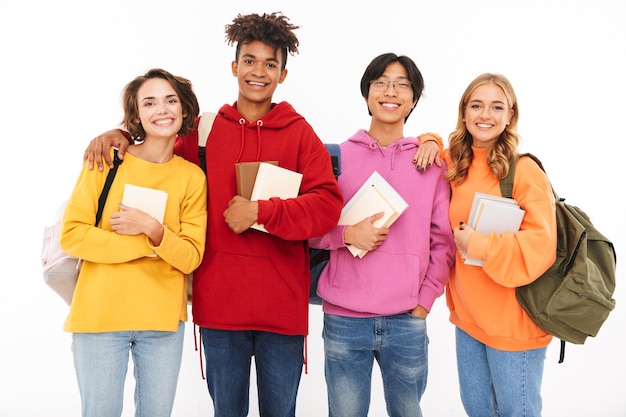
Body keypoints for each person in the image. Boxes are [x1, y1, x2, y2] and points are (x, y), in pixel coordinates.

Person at [81, 12, 343, 417]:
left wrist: (262, 211)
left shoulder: (299, 133)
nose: (259, 72)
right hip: (219, 309)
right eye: (250, 61)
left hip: (282, 311)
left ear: (283, 74)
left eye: (270, 64)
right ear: (234, 67)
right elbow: (156, 146)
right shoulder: (203, 133)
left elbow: (327, 206)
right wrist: (120, 134)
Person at [308, 53, 456, 417]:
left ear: (414, 99)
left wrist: (423, 303)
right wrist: (345, 235)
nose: (391, 91)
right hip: (344, 317)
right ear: (366, 94)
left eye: (402, 84)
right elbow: (307, 230)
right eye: (382, 83)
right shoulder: (334, 158)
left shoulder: (431, 164)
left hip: (407, 318)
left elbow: (444, 242)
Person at [60, 68, 207, 417]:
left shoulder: (191, 177)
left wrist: (153, 229)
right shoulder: (107, 160)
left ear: (184, 109)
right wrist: (148, 244)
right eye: (150, 102)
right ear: (136, 115)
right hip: (99, 317)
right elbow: (73, 234)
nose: (162, 109)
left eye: (171, 100)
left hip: (162, 323)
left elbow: (190, 257)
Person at [414, 73, 558, 417]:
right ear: (463, 113)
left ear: (510, 115)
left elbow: (541, 246)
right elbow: (418, 149)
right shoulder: (453, 163)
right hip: (468, 320)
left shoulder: (523, 171)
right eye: (476, 105)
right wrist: (430, 139)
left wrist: (477, 244)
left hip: (513, 325)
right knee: (477, 411)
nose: (485, 115)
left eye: (497, 107)